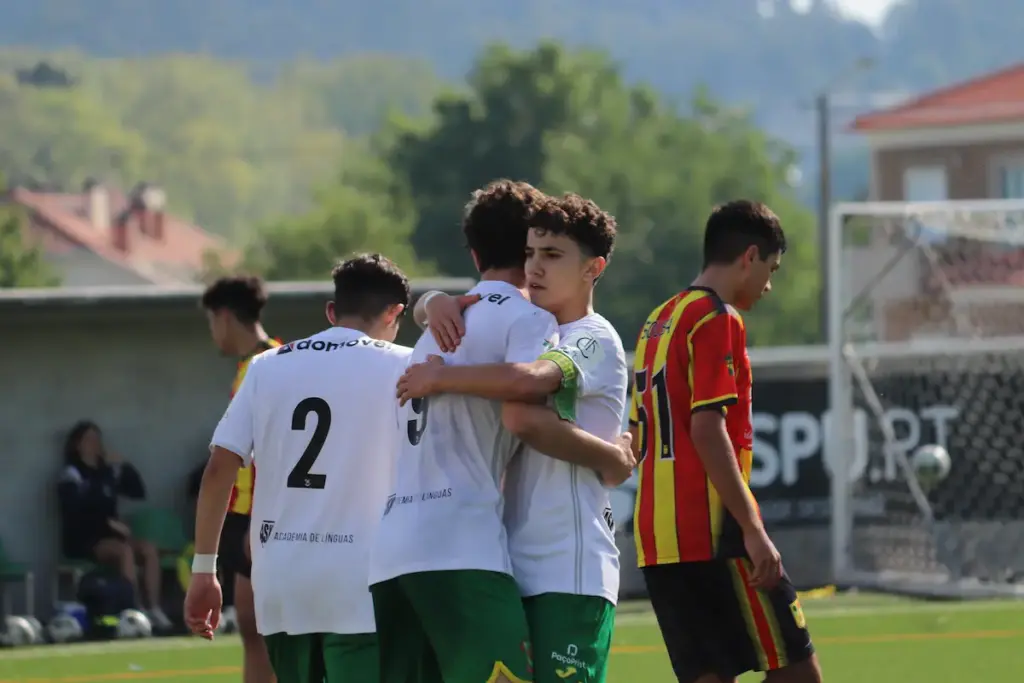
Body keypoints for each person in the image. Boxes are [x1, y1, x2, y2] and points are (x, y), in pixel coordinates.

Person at [369, 181, 630, 683]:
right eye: (530, 253)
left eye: (552, 255)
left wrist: (611, 460)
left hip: (566, 562)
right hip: (507, 556)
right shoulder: (526, 325)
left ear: (592, 268)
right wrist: (434, 300)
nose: (535, 266)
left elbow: (523, 410)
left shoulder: (590, 336)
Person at [186, 254, 413, 683]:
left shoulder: (265, 365)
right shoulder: (405, 365)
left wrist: (204, 570)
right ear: (394, 313)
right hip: (361, 579)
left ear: (331, 312)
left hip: (281, 578)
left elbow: (219, 467)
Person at [629, 201, 821, 683]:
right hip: (712, 533)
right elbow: (707, 429)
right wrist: (753, 529)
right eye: (770, 269)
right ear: (749, 256)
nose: (769, 284)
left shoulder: (658, 320)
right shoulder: (717, 318)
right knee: (798, 671)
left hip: (657, 539)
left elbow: (635, 435)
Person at [200, 275, 280, 683]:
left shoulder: (268, 364)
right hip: (244, 513)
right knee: (252, 629)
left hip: (259, 516)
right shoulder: (259, 363)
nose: (213, 333)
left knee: (265, 631)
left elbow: (273, 447)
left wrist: (260, 518)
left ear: (225, 317)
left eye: (212, 321)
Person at [56, 420, 174, 631]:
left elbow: (138, 492)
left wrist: (124, 465)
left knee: (148, 549)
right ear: (77, 445)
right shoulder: (72, 473)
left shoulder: (107, 472)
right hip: (85, 539)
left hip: (112, 535)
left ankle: (154, 608)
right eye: (89, 440)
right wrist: (108, 522)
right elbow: (73, 509)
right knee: (125, 551)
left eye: (97, 439)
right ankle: (134, 609)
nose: (95, 444)